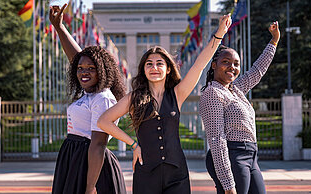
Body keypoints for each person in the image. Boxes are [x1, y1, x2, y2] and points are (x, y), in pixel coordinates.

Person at [97, 14, 232, 194]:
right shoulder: (134, 98)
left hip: (177, 173)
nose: (154, 68)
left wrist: (220, 33)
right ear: (144, 70)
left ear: (168, 69)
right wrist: (133, 145)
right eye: (149, 64)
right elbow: (103, 121)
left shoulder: (177, 94)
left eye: (159, 63)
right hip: (146, 173)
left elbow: (199, 65)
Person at [49, 4, 126, 194]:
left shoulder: (102, 98)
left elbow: (99, 144)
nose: (84, 72)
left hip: (90, 164)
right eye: (80, 68)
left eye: (91, 69)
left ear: (102, 71)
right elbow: (78, 57)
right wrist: (60, 28)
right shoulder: (90, 92)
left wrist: (91, 186)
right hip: (74, 158)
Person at [199, 21, 280, 194]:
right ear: (214, 65)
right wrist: (228, 184)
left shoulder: (236, 89)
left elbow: (257, 70)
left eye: (236, 64)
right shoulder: (213, 92)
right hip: (232, 156)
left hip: (251, 156)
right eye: (226, 62)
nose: (232, 67)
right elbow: (216, 139)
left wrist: (274, 41)